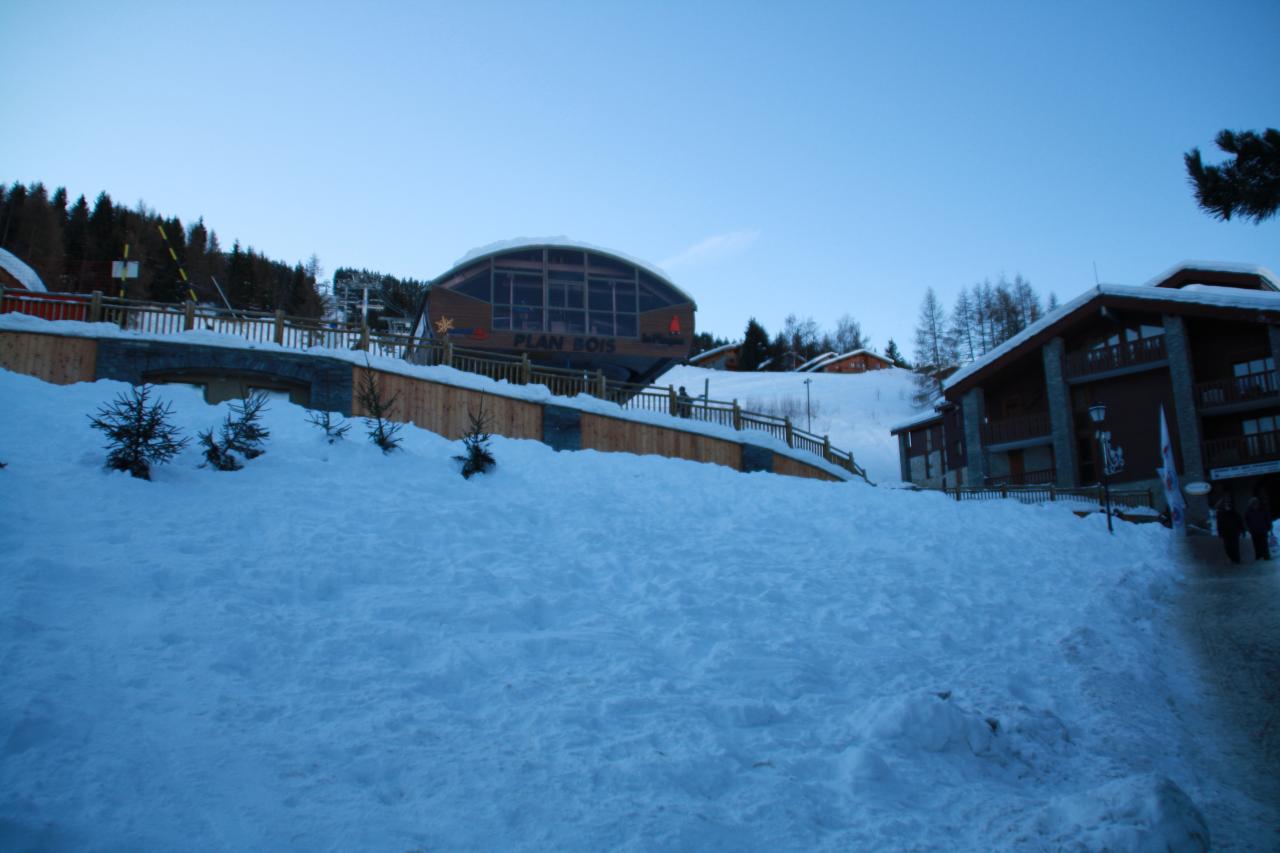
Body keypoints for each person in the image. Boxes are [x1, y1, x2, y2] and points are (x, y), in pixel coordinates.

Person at [1216, 496, 1244, 564]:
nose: (1227, 506)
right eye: (1226, 505)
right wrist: (1220, 532)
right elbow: (1219, 524)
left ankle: (1236, 559)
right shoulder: (1221, 515)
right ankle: (1231, 557)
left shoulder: (1235, 514)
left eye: (1228, 505)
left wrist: (1242, 530)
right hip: (1226, 533)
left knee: (1235, 547)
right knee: (1228, 547)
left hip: (1234, 533)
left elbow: (1239, 522)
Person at [1244, 496, 1272, 561]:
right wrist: (1250, 528)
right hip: (1254, 530)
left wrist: (1268, 526)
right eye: (1254, 502)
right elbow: (1247, 520)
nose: (1255, 504)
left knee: (1264, 543)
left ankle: (1266, 556)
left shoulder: (1262, 509)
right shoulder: (1248, 511)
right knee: (1256, 544)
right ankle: (1258, 556)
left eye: (1256, 502)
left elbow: (1267, 518)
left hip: (1263, 529)